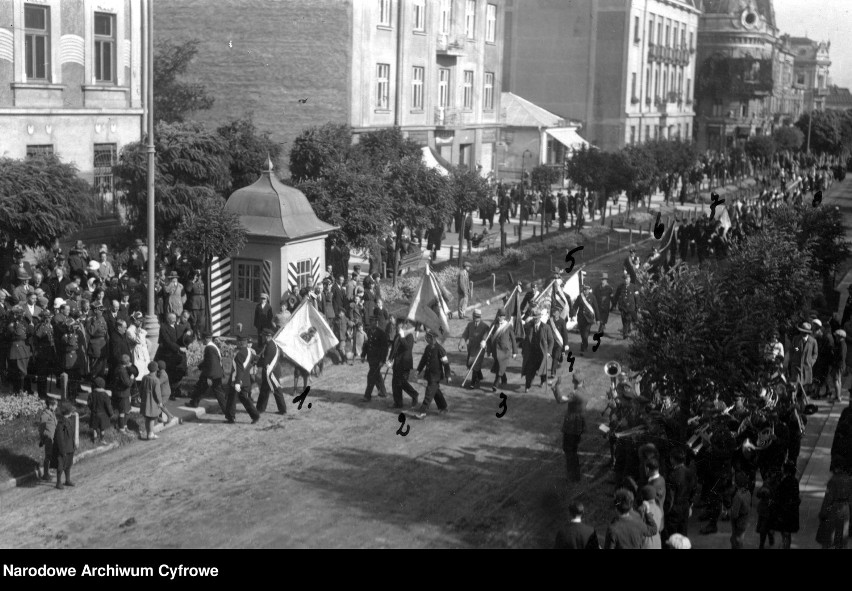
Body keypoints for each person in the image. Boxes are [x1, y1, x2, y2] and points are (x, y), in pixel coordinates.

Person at [413, 329, 452, 419]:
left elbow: (446, 364)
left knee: (429, 393)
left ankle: (422, 412)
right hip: (429, 375)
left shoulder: (440, 349)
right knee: (435, 391)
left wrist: (448, 376)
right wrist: (418, 370)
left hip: (436, 376)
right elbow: (423, 360)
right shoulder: (428, 348)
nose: (426, 338)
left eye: (428, 337)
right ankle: (443, 407)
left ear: (432, 338)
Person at [188, 333, 229, 418]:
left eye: (202, 339)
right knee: (201, 386)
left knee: (218, 392)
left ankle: (227, 411)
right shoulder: (213, 346)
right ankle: (194, 402)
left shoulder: (209, 348)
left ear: (206, 339)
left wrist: (205, 373)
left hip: (212, 373)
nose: (202, 341)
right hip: (215, 371)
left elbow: (209, 362)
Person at [226, 335, 261, 424]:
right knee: (244, 398)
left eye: (238, 342)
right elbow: (256, 359)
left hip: (238, 380)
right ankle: (255, 415)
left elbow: (239, 369)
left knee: (232, 398)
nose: (237, 343)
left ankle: (231, 417)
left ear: (240, 343)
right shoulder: (249, 352)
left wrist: (237, 382)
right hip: (246, 380)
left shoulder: (240, 354)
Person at [387, 318, 419, 410]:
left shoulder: (409, 336)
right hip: (397, 363)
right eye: (397, 325)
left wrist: (401, 337)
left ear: (405, 325)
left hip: (405, 363)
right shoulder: (397, 335)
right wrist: (390, 359)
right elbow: (394, 349)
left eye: (399, 325)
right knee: (395, 383)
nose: (398, 327)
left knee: (402, 382)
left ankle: (414, 394)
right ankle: (398, 403)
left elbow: (408, 347)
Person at [816, 466, 851, 549]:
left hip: (834, 509)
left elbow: (828, 498)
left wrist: (823, 513)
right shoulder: (849, 479)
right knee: (842, 537)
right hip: (846, 508)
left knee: (828, 537)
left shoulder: (833, 480)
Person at [521, 307, 554, 392]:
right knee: (529, 371)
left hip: (542, 354)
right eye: (534, 318)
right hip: (531, 353)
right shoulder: (528, 327)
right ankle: (527, 386)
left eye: (537, 318)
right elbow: (525, 339)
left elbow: (551, 341)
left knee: (542, 370)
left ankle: (543, 380)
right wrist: (523, 351)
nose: (535, 320)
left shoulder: (546, 327)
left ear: (540, 317)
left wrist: (549, 352)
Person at [155, 313, 186, 401]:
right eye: (172, 318)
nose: (174, 320)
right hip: (167, 354)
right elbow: (167, 342)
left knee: (179, 372)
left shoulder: (177, 326)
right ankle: (170, 393)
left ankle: (176, 389)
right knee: (169, 373)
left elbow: (181, 336)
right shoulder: (163, 327)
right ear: (168, 319)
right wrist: (179, 348)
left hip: (177, 353)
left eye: (175, 318)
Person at [665, 447, 695, 537]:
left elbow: (670, 496)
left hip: (674, 508)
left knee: (673, 536)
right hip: (685, 505)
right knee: (683, 532)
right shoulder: (690, 472)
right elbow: (693, 489)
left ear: (672, 459)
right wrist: (690, 505)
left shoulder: (672, 476)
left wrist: (666, 510)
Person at [256, 328, 287, 415]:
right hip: (270, 371)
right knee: (264, 390)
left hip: (271, 372)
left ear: (268, 336)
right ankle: (260, 408)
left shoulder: (270, 346)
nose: (262, 338)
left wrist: (256, 363)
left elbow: (265, 361)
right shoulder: (270, 344)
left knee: (276, 390)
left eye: (264, 336)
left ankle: (282, 409)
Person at [487, 309, 517, 392]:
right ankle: (504, 379)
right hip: (496, 351)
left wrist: (514, 351)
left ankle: (495, 384)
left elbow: (513, 339)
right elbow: (489, 337)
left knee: (500, 367)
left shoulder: (508, 326)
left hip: (505, 351)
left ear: (504, 317)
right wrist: (488, 349)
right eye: (499, 316)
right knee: (500, 366)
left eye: (502, 316)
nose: (500, 318)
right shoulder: (494, 325)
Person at [788, 322, 818, 403]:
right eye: (802, 332)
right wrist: (793, 357)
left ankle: (802, 404)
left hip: (806, 368)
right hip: (796, 366)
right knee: (794, 386)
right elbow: (793, 349)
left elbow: (815, 354)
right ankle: (794, 403)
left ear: (808, 333)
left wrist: (811, 362)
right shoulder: (796, 339)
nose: (803, 333)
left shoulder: (813, 341)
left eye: (805, 332)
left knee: (804, 387)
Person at [460, 308, 490, 390]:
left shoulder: (485, 326)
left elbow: (487, 335)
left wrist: (484, 340)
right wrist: (461, 343)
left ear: (480, 317)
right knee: (469, 364)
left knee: (475, 364)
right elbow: (465, 335)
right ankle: (479, 376)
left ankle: (473, 383)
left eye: (478, 317)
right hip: (471, 348)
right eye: (475, 317)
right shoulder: (470, 325)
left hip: (480, 349)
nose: (476, 319)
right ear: (473, 317)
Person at [361, 322, 390, 402]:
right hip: (371, 359)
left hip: (378, 360)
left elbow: (385, 348)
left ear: (377, 322)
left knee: (371, 376)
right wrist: (363, 355)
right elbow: (366, 345)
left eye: (372, 321)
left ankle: (367, 396)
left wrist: (382, 360)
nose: (370, 324)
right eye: (370, 321)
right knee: (377, 375)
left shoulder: (381, 333)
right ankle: (383, 392)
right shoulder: (369, 331)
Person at [52, 402, 77, 489]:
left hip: (70, 447)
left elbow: (71, 435)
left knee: (68, 464)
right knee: (61, 466)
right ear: (68, 412)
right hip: (63, 449)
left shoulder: (69, 421)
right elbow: (60, 438)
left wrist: (73, 445)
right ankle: (58, 482)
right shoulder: (61, 424)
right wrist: (62, 450)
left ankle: (67, 480)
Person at [569, 285, 599, 355]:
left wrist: (598, 319)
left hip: (589, 318)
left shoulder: (592, 297)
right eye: (585, 290)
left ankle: (584, 346)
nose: (586, 291)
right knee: (582, 333)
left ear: (589, 290)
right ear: (583, 290)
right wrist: (573, 315)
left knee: (586, 333)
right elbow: (575, 306)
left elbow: (596, 308)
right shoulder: (580, 297)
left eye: (588, 290)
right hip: (581, 318)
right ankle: (584, 344)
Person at [561, 395, 585, 482]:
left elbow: (568, 428)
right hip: (574, 438)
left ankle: (572, 476)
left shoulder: (572, 415)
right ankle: (574, 476)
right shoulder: (579, 414)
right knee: (573, 456)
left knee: (570, 457)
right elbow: (582, 429)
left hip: (570, 437)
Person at [139, 361, 162, 440]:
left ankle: (148, 432)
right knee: (152, 418)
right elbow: (157, 393)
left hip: (145, 400)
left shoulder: (144, 377)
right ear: (156, 370)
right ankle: (150, 434)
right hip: (153, 402)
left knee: (147, 418)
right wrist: (160, 402)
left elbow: (141, 388)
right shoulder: (156, 380)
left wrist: (141, 396)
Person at [613, 273, 639, 339]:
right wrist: (614, 304)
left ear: (630, 279)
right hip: (623, 307)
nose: (626, 280)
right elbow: (616, 296)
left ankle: (627, 334)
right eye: (624, 279)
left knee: (629, 319)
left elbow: (637, 297)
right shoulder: (620, 287)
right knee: (624, 320)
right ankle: (626, 333)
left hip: (631, 307)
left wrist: (637, 305)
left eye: (627, 279)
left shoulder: (634, 287)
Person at [730, 471, 752, 549]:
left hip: (738, 522)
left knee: (735, 541)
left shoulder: (738, 496)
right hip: (745, 520)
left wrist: (729, 513)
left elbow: (734, 514)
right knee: (740, 540)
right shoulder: (748, 492)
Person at [88, 377, 113, 444]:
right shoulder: (105, 395)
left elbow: (89, 404)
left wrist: (92, 409)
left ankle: (95, 439)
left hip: (94, 414)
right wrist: (111, 413)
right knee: (102, 429)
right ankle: (102, 439)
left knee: (95, 428)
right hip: (103, 415)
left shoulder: (91, 394)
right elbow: (108, 405)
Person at [38, 397, 58, 481]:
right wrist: (42, 439)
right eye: (56, 405)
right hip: (48, 438)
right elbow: (41, 428)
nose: (56, 407)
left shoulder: (51, 413)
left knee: (51, 455)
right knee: (48, 456)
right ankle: (45, 474)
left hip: (53, 438)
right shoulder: (45, 414)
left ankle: (48, 472)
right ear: (50, 405)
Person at [639, 485, 663, 549]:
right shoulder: (658, 509)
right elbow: (660, 528)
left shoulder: (642, 509)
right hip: (657, 543)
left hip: (646, 544)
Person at [185, 269, 207, 335]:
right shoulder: (191, 282)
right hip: (194, 304)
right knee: (194, 320)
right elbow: (188, 289)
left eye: (199, 275)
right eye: (197, 275)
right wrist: (193, 281)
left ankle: (200, 333)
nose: (198, 277)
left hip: (202, 303)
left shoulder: (203, 282)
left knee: (201, 320)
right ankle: (194, 334)